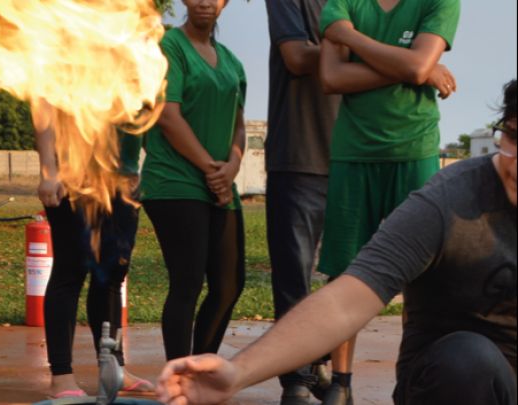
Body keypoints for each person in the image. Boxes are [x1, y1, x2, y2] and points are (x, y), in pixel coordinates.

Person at [156, 79, 517, 405]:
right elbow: (346, 301)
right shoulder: (449, 199)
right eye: (514, 137)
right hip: (456, 381)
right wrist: (237, 373)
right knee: (469, 360)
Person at [314, 0, 461, 402]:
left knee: (423, 280)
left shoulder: (440, 2)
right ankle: (339, 387)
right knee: (346, 275)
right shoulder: (341, 2)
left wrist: (351, 38)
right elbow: (330, 76)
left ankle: (413, 386)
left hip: (415, 148)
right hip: (353, 151)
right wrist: (414, 67)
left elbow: (416, 68)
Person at [140, 0, 247, 362]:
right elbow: (167, 117)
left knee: (230, 284)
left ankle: (200, 369)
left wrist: (232, 164)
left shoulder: (232, 61)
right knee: (187, 284)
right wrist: (211, 170)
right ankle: (178, 377)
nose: (206, 1)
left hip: (218, 184)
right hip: (174, 182)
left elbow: (239, 124)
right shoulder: (170, 47)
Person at [36, 111, 155, 398]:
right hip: (74, 173)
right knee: (70, 272)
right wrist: (49, 171)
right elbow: (43, 105)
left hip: (123, 178)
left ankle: (114, 369)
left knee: (112, 276)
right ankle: (61, 376)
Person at [263, 0, 341, 402]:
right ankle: (294, 378)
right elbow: (295, 56)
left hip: (351, 156)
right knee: (295, 276)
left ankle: (325, 365)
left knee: (342, 277)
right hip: (298, 154)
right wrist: (370, 50)